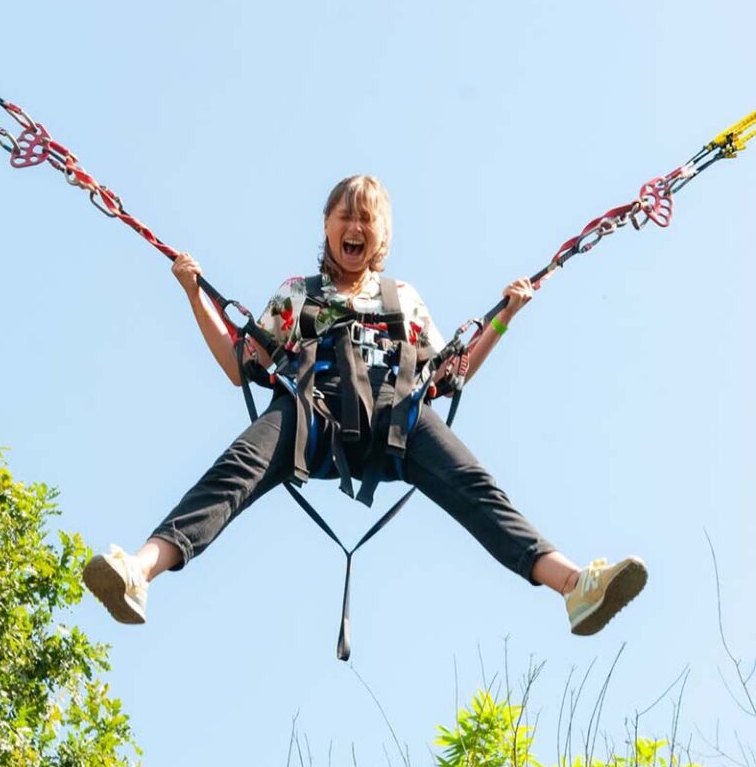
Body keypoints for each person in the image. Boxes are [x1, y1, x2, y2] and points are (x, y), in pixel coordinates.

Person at [83, 175, 647, 636]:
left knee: (476, 487)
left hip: (395, 416)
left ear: (381, 236)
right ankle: (140, 569)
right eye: (344, 217)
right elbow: (240, 365)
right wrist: (193, 294)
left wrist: (505, 316)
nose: (355, 227)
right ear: (326, 226)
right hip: (312, 414)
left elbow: (450, 374)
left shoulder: (405, 300)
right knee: (236, 469)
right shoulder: (296, 294)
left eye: (366, 219)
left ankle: (575, 586)